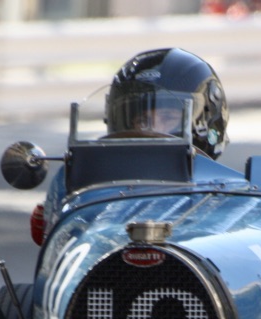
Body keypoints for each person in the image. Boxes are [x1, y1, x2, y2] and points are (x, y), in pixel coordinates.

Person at [31, 48, 243, 244]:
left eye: (168, 117)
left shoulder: (231, 194)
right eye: (142, 120)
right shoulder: (77, 177)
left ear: (205, 121)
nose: (152, 129)